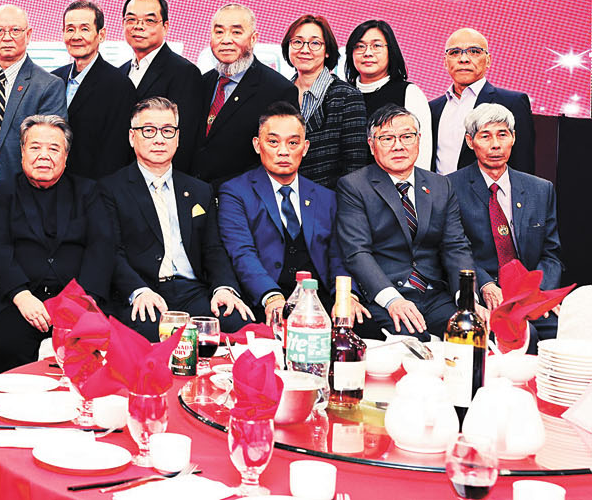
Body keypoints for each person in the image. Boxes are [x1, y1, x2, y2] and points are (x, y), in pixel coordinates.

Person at [100, 98, 253, 341]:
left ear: (178, 137)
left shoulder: (199, 190)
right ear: (132, 137)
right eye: (148, 130)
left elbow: (213, 248)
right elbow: (111, 253)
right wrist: (138, 291)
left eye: (167, 130)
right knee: (153, 335)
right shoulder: (110, 189)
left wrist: (224, 288)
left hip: (192, 291)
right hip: (145, 290)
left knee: (239, 324)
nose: (159, 139)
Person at [217, 102, 373, 333]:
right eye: (273, 142)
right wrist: (270, 296)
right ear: (257, 145)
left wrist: (346, 296)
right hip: (264, 298)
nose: (283, 151)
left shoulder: (326, 197)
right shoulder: (235, 192)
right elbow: (242, 253)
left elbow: (339, 256)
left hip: (319, 301)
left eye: (293, 143)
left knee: (366, 328)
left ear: (305, 147)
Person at [0, 114, 114, 370]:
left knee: (91, 354)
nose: (44, 156)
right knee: (9, 347)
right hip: (20, 299)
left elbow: (102, 246)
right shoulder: (1, 193)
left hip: (78, 299)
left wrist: (80, 301)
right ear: (22, 152)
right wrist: (21, 296)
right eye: (35, 147)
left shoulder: (88, 191)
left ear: (66, 156)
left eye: (54, 149)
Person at [336, 105, 473, 337]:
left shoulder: (440, 185)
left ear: (419, 139)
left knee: (474, 332)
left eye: (407, 136)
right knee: (413, 342)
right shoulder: (354, 186)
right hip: (386, 295)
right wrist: (393, 300)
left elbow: (455, 246)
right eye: (387, 138)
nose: (398, 146)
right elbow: (357, 252)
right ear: (371, 144)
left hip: (435, 295)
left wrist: (467, 299)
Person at [448, 104, 561, 321]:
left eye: (502, 135)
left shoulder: (540, 189)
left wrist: (538, 291)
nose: (496, 145)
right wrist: (484, 284)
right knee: (520, 335)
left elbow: (551, 254)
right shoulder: (450, 188)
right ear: (470, 141)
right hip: (484, 292)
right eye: (485, 136)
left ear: (513, 138)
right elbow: (453, 250)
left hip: (530, 292)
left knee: (563, 330)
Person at [190, 4, 296, 187]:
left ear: (253, 38)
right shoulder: (201, 83)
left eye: (236, 32)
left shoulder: (278, 90)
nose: (226, 40)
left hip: (244, 197)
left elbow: (279, 157)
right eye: (219, 32)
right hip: (193, 193)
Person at [0, 5, 66, 186]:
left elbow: (51, 146)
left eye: (15, 30)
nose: (7, 37)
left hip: (24, 191)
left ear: (28, 35)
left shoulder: (48, 85)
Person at [118, 0, 203, 172]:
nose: (138, 26)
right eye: (131, 19)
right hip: (122, 177)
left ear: (165, 26)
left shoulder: (184, 72)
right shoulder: (120, 72)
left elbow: (184, 139)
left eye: (149, 20)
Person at [431, 28, 536, 174]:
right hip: (437, 188)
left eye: (474, 51)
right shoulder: (432, 108)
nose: (463, 59)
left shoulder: (512, 103)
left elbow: (522, 164)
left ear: (488, 60)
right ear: (445, 62)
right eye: (454, 52)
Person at [282, 15, 368, 189]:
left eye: (315, 43)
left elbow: (355, 165)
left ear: (327, 51)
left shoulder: (347, 97)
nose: (305, 49)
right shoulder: (277, 93)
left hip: (330, 199)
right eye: (297, 42)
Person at [54, 0, 136, 179]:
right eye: (70, 29)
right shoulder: (53, 79)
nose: (76, 36)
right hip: (51, 187)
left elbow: (116, 153)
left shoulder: (119, 85)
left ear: (101, 34)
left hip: (93, 188)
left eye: (84, 29)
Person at [346, 20, 432, 170]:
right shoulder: (342, 94)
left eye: (376, 46)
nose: (367, 53)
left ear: (390, 51)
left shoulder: (409, 93)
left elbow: (422, 153)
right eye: (360, 46)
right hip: (348, 183)